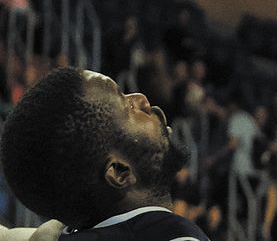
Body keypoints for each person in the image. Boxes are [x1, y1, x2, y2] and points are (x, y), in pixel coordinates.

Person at [0, 67, 208, 240]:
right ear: (119, 172)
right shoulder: (173, 236)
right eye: (128, 108)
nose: (143, 100)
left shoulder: (53, 235)